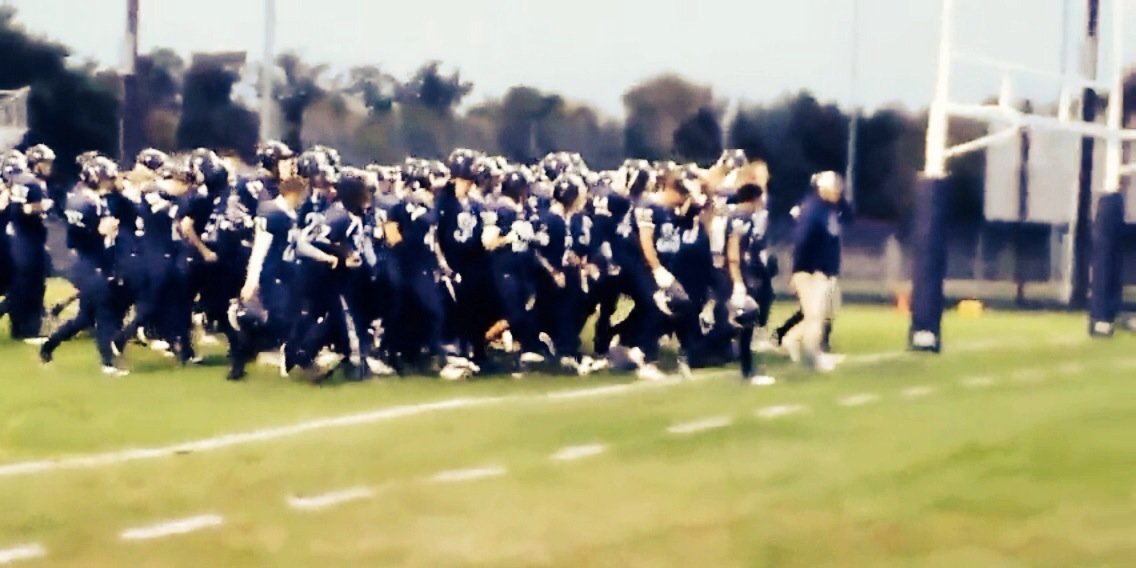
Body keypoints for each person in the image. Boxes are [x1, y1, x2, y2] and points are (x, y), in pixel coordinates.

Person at [40, 156, 128, 376]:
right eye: (107, 177)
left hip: (82, 260)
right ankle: (107, 363)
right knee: (104, 312)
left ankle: (48, 347)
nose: (111, 181)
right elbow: (103, 231)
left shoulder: (76, 197)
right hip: (92, 262)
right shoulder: (93, 202)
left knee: (85, 317)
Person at [781, 171, 850, 372]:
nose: (838, 191)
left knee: (817, 315)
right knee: (815, 316)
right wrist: (800, 270)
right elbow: (802, 242)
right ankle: (813, 357)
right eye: (834, 188)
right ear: (823, 189)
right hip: (811, 271)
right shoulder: (812, 210)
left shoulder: (829, 209)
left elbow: (849, 214)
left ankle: (791, 339)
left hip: (824, 269)